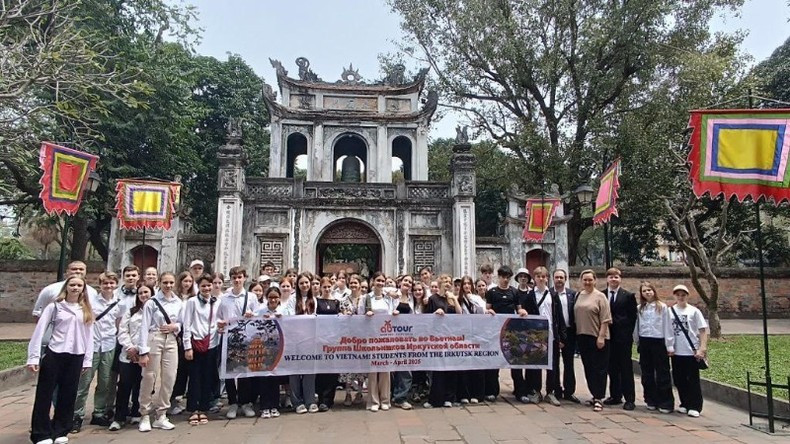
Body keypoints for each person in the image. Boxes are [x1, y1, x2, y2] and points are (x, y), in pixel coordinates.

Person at [27, 276, 94, 444]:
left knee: (69, 394)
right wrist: (33, 357)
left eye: (79, 285)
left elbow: (89, 336)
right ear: (66, 287)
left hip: (76, 354)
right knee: (45, 393)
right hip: (55, 352)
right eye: (72, 285)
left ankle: (61, 429)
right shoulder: (54, 307)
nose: (75, 288)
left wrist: (87, 359)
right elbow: (39, 331)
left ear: (83, 289)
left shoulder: (85, 309)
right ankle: (40, 433)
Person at [73, 272, 121, 431]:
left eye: (111, 283)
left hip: (108, 344)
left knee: (105, 381)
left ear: (116, 284)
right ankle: (76, 414)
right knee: (84, 381)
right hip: (92, 345)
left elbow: (118, 322)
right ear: (100, 285)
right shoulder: (91, 302)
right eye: (105, 283)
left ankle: (99, 412)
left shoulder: (118, 303)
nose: (108, 286)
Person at [137, 272, 184, 432]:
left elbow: (182, 323)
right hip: (154, 337)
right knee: (149, 377)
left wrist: (175, 327)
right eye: (165, 282)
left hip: (171, 339)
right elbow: (144, 327)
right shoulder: (152, 302)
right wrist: (143, 351)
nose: (168, 285)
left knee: (169, 377)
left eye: (171, 282)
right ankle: (144, 413)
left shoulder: (178, 302)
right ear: (160, 283)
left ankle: (162, 413)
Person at [518, 266, 566, 406]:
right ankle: (535, 391)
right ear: (534, 278)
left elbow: (559, 317)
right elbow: (523, 312)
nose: (541, 279)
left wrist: (562, 337)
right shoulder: (530, 296)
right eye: (538, 276)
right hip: (535, 336)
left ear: (547, 278)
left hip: (551, 334)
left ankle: (551, 392)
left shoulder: (553, 295)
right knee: (536, 364)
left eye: (543, 276)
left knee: (553, 365)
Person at [109, 284, 153, 431]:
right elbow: (122, 331)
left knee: (141, 385)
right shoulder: (131, 311)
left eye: (146, 292)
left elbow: (154, 333)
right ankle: (119, 417)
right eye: (141, 293)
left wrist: (142, 350)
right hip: (128, 354)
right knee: (124, 385)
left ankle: (136, 412)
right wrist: (130, 347)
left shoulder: (155, 312)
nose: (144, 295)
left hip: (146, 354)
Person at [216, 266, 258, 419]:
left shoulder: (251, 297)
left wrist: (251, 315)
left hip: (245, 339)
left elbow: (258, 317)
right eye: (234, 277)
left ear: (244, 278)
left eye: (240, 277)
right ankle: (233, 402)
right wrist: (219, 325)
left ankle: (245, 402)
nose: (237, 280)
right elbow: (218, 317)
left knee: (244, 372)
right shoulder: (224, 299)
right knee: (229, 373)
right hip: (228, 338)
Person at [182, 274, 220, 425]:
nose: (206, 288)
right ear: (198, 286)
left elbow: (219, 321)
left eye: (209, 285)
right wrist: (187, 347)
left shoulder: (217, 302)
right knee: (195, 378)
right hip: (196, 343)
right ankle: (193, 409)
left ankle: (204, 408)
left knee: (207, 378)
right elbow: (187, 324)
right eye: (203, 286)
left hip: (211, 343)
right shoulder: (192, 302)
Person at [667, 284, 708, 418]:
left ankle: (695, 405)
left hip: (691, 351)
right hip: (676, 351)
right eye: (678, 295)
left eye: (683, 295)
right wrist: (669, 346)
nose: (680, 297)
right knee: (679, 379)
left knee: (692, 379)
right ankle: (684, 403)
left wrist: (702, 348)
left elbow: (702, 330)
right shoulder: (670, 311)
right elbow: (667, 330)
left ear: (687, 296)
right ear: (675, 296)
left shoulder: (694, 311)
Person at [574, 270, 612, 412]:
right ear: (581, 281)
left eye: (590, 280)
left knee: (599, 368)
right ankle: (593, 393)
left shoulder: (600, 296)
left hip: (598, 337)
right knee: (588, 367)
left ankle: (599, 397)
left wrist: (601, 336)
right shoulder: (579, 295)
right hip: (583, 336)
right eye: (585, 280)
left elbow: (606, 319)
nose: (587, 282)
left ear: (595, 280)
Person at [635, 281, 673, 413]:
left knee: (662, 372)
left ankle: (666, 402)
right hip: (645, 341)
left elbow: (667, 326)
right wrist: (637, 341)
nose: (647, 293)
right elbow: (637, 326)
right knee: (647, 373)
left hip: (659, 341)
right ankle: (651, 399)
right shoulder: (640, 308)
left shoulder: (662, 307)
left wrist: (669, 345)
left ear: (654, 291)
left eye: (649, 290)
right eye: (644, 291)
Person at [424, 274, 462, 409]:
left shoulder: (451, 299)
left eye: (449, 282)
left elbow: (460, 314)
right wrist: (436, 313)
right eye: (445, 281)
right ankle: (435, 399)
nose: (448, 283)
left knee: (451, 369)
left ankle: (449, 398)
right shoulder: (433, 299)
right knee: (438, 369)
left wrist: (454, 300)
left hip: (452, 337)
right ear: (440, 283)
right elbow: (426, 318)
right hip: (438, 338)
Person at [360, 272, 395, 412]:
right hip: (371, 336)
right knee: (373, 370)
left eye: (382, 281)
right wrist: (366, 315)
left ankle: (385, 399)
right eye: (378, 280)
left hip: (386, 337)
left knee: (385, 369)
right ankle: (373, 400)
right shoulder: (366, 298)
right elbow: (359, 315)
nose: (380, 283)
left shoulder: (388, 299)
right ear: (372, 281)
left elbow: (392, 313)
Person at [603, 267, 637, 410]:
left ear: (620, 279)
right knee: (612, 367)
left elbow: (632, 317)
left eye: (616, 277)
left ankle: (630, 398)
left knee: (626, 368)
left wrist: (626, 332)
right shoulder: (602, 295)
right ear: (607, 279)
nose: (613, 279)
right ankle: (615, 395)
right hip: (607, 337)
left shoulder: (628, 296)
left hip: (623, 338)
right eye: (611, 277)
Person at [484, 266, 518, 402]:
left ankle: (519, 391)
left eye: (508, 277)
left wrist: (522, 312)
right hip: (494, 331)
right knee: (494, 361)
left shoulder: (514, 292)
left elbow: (519, 309)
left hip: (510, 331)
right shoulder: (491, 292)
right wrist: (489, 312)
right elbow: (487, 309)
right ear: (499, 277)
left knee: (515, 360)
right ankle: (492, 391)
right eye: (503, 277)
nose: (505, 280)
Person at [286, 274, 318, 414]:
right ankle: (297, 402)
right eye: (301, 283)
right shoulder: (292, 300)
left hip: (310, 340)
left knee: (310, 372)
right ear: (297, 286)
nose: (304, 285)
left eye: (306, 283)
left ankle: (310, 400)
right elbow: (288, 317)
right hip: (295, 340)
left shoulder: (313, 300)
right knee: (294, 372)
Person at [254, 287, 284, 419]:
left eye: (275, 297)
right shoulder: (260, 309)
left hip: (278, 348)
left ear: (279, 298)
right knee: (264, 378)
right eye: (270, 297)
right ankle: (264, 406)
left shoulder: (284, 310)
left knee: (275, 378)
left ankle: (275, 406)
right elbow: (251, 323)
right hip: (263, 347)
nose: (273, 300)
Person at [32, 261, 98, 318]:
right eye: (74, 269)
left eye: (81, 269)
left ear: (85, 271)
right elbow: (38, 313)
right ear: (67, 271)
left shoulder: (92, 292)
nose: (78, 271)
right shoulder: (50, 289)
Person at [170, 271, 196, 415]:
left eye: (189, 281)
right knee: (177, 370)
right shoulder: (175, 298)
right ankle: (173, 399)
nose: (187, 284)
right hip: (177, 336)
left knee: (188, 369)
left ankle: (183, 398)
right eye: (184, 281)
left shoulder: (194, 298)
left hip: (191, 335)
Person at [552, 268, 579, 403]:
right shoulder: (549, 293)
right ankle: (555, 390)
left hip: (569, 332)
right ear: (553, 279)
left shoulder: (573, 295)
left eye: (561, 277)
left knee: (569, 363)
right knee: (554, 362)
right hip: (554, 333)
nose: (559, 280)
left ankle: (569, 391)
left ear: (566, 279)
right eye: (557, 277)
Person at [457, 276, 486, 404]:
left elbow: (483, 311)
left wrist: (473, 299)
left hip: (477, 334)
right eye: (465, 284)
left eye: (469, 284)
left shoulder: (477, 298)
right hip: (463, 335)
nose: (467, 286)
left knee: (477, 366)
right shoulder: (458, 299)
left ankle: (477, 394)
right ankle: (464, 394)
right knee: (463, 366)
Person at [339, 274, 366, 406]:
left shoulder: (366, 300)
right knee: (347, 366)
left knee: (361, 366)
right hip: (348, 337)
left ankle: (360, 392)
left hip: (362, 337)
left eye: (356, 283)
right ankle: (348, 393)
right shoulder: (344, 300)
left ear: (360, 284)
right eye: (351, 283)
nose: (353, 285)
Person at [315, 277, 341, 412]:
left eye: (328, 287)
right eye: (324, 287)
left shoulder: (336, 302)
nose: (326, 289)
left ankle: (329, 399)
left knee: (332, 371)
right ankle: (320, 398)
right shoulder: (316, 302)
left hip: (334, 340)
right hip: (320, 340)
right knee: (321, 370)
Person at [390, 278, 414, 410]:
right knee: (391, 368)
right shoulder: (393, 294)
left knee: (406, 368)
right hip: (391, 335)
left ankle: (401, 397)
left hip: (408, 337)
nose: (408, 284)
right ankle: (391, 395)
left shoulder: (412, 298)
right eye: (405, 281)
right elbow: (381, 289)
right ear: (400, 282)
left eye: (410, 282)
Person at [512, 267, 532, 402]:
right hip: (515, 330)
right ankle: (519, 389)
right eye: (521, 276)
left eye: (525, 276)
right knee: (516, 360)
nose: (523, 278)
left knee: (530, 360)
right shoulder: (514, 293)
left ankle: (529, 387)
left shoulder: (532, 294)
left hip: (530, 330)